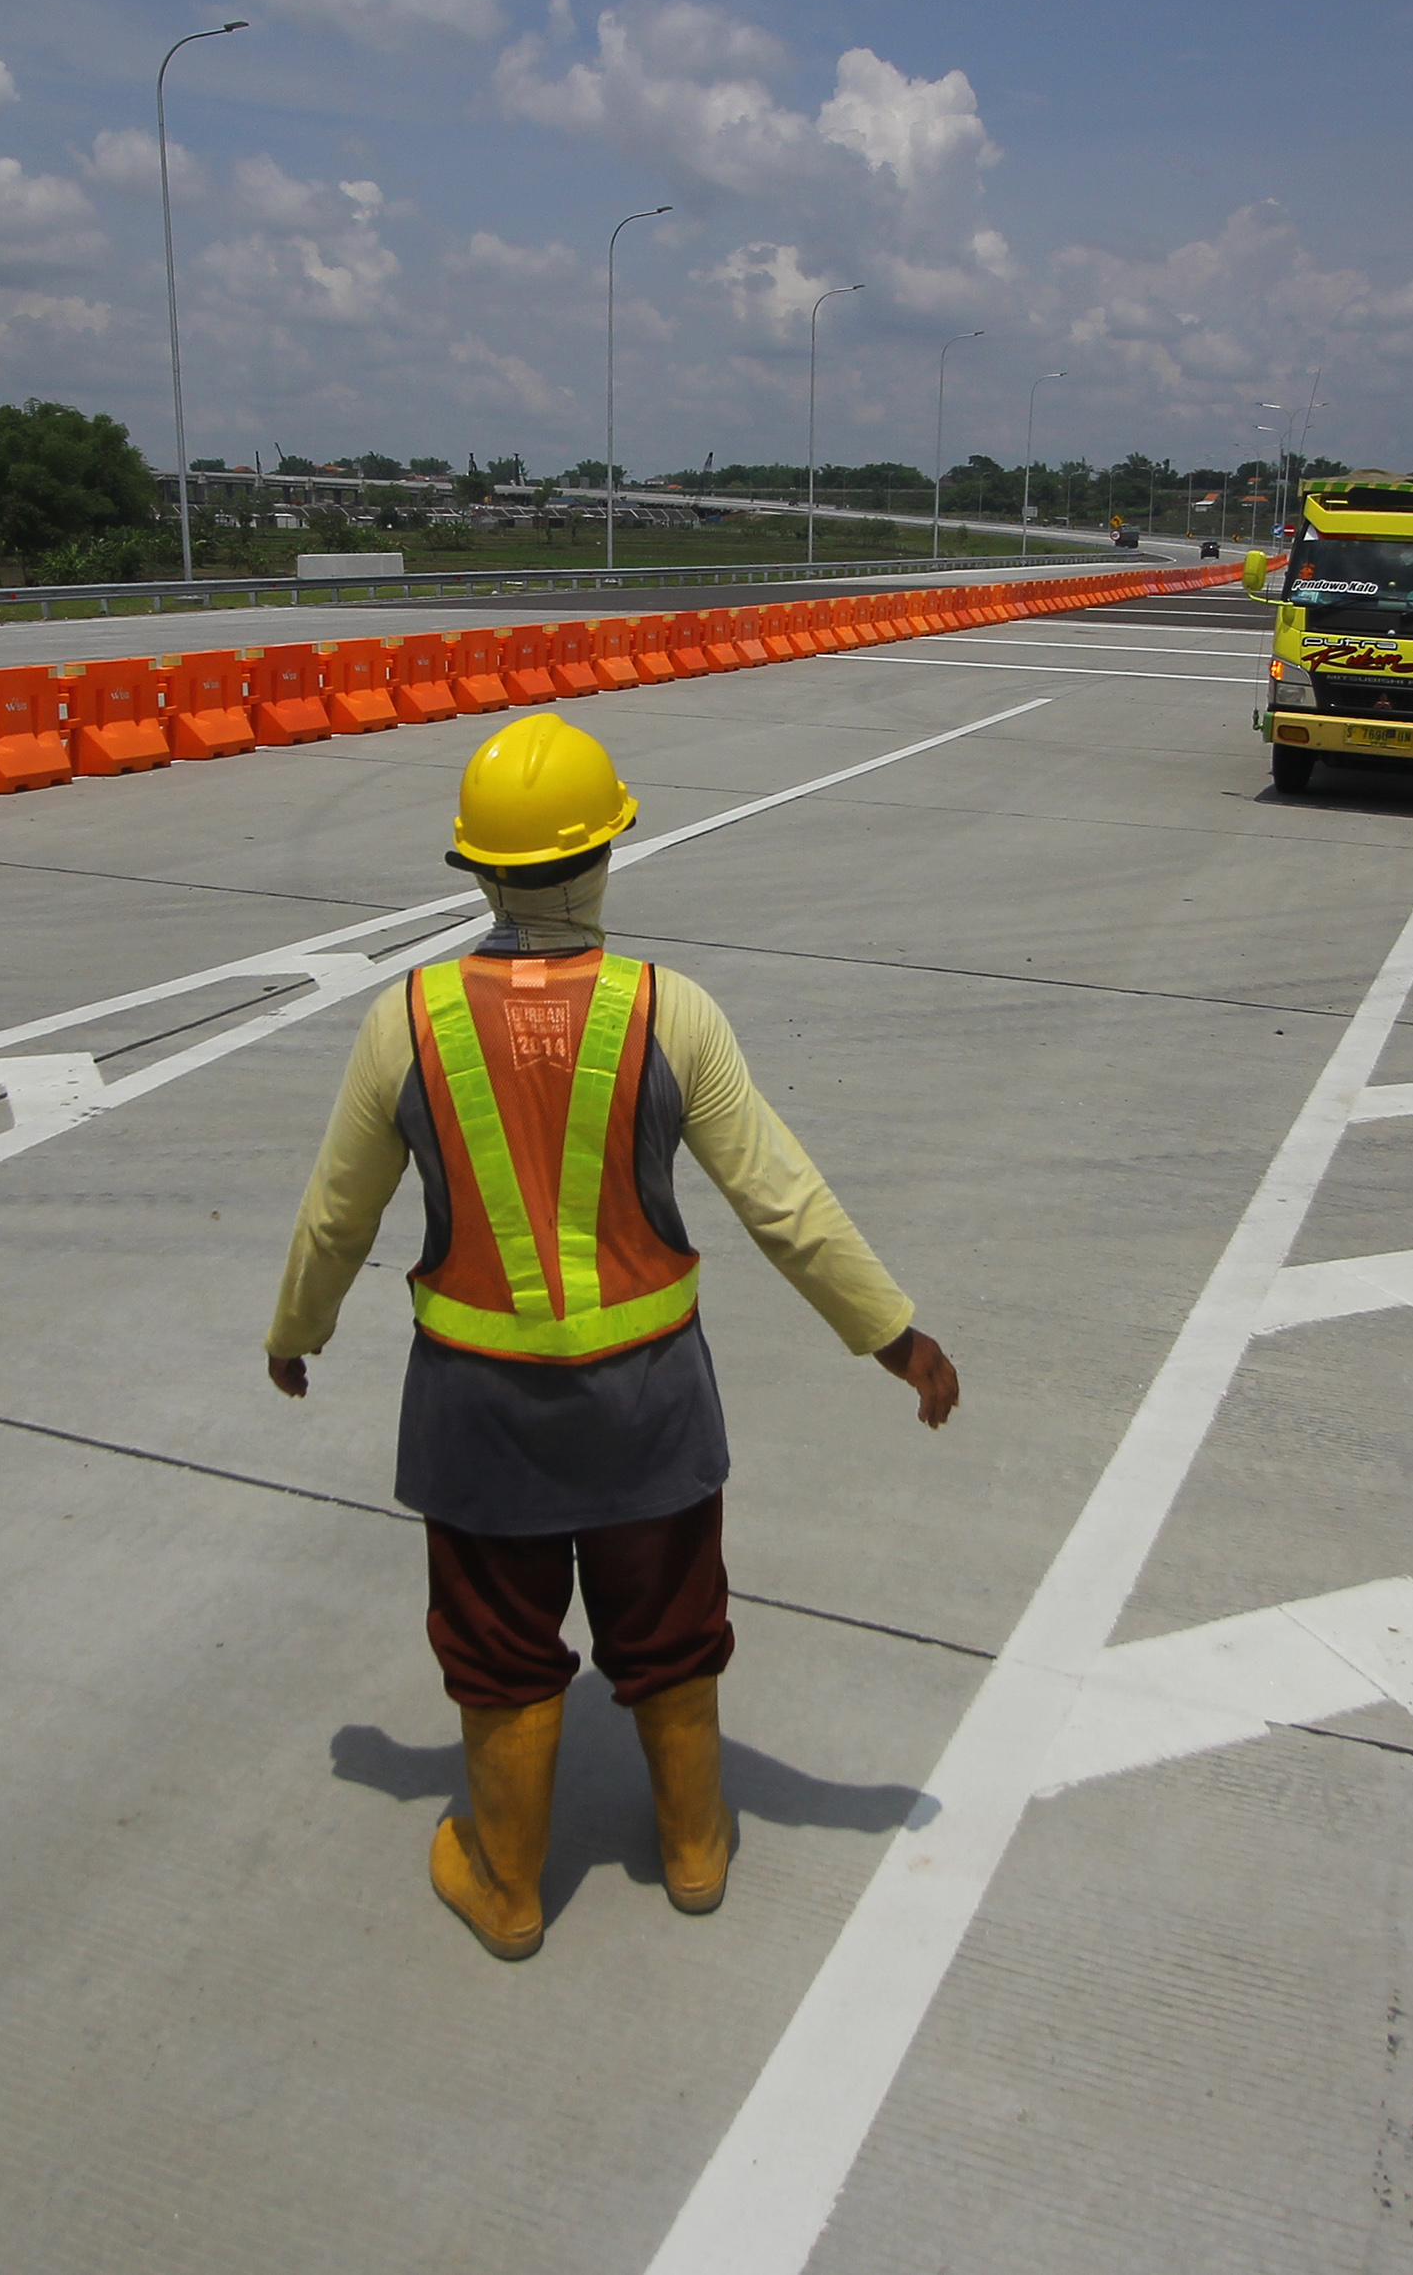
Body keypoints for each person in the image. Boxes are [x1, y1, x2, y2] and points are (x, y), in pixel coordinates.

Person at [265, 713, 963, 1961]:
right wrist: (892, 1334)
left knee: (497, 1650)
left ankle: (507, 1883)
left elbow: (336, 1211)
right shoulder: (670, 1012)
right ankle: (695, 1852)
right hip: (650, 1411)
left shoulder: (405, 1019)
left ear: (477, 869)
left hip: (479, 1419)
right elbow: (782, 1200)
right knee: (672, 1627)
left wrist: (295, 1330)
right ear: (604, 859)